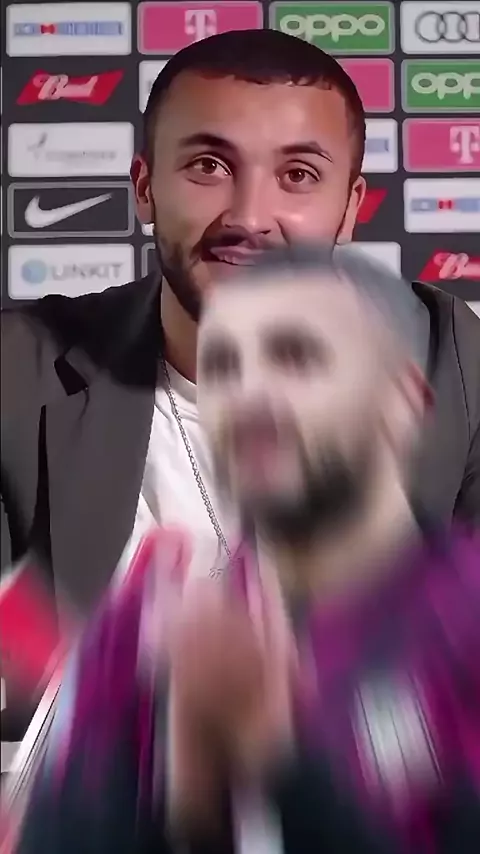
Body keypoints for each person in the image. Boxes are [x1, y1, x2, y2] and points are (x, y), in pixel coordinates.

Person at [1, 29, 479, 746]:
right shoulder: (18, 367)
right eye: (208, 165)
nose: (249, 217)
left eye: (298, 175)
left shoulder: (452, 359)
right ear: (144, 187)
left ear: (350, 208)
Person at [12, 245, 480, 854]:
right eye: (225, 366)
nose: (250, 394)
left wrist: (281, 763)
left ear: (404, 402)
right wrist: (189, 796)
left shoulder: (465, 626)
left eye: (296, 357)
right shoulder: (140, 636)